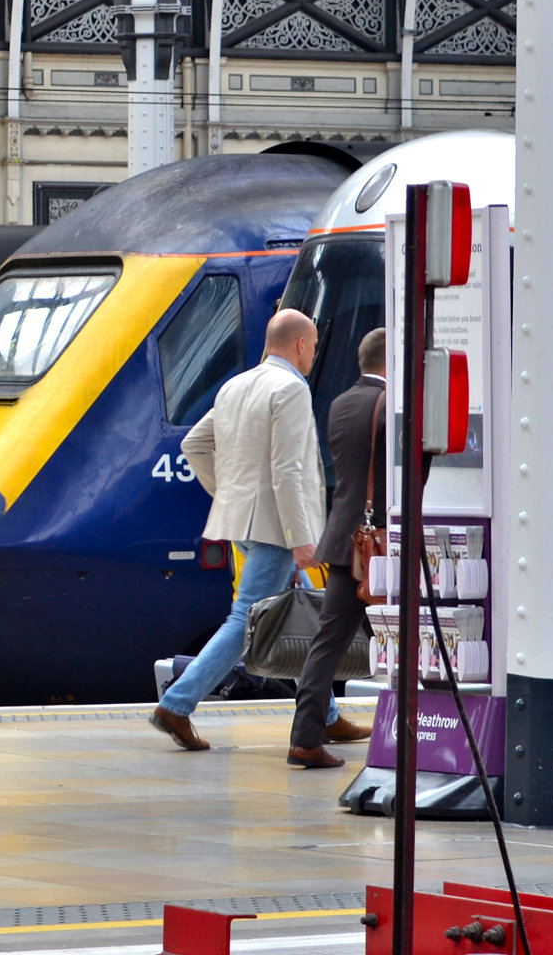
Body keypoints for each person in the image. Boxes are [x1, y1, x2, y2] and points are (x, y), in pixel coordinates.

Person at [148, 308, 365, 760]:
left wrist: (230, 493)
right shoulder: (290, 389)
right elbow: (288, 470)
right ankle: (176, 704)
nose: (313, 356)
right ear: (302, 345)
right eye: (314, 347)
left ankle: (325, 715)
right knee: (247, 621)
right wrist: (300, 536)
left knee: (306, 619)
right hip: (276, 528)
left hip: (242, 522)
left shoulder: (235, 385)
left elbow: (194, 444)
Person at [288, 328, 389, 767]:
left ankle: (305, 738)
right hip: (383, 546)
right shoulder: (391, 407)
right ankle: (416, 732)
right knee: (408, 643)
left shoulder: (339, 404)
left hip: (345, 540)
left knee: (328, 643)